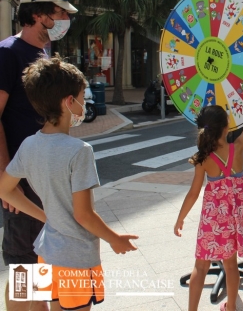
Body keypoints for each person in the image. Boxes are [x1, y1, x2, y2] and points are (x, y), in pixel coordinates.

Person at [0, 56, 139, 310]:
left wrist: (47, 217)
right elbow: (84, 214)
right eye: (83, 96)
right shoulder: (79, 151)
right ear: (68, 101)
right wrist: (114, 238)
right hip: (76, 256)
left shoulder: (29, 145)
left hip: (47, 252)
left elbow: (4, 188)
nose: (85, 103)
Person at [0, 0, 76, 311]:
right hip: (20, 178)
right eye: (58, 12)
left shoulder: (42, 53)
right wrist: (7, 179)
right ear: (38, 13)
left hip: (44, 176)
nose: (63, 19)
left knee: (39, 262)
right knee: (23, 268)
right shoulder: (8, 53)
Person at [174, 80, 243, 311]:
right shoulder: (238, 148)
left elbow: (193, 193)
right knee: (231, 266)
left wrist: (180, 218)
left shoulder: (203, 158)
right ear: (225, 126)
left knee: (200, 267)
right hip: (233, 220)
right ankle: (231, 308)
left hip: (212, 222)